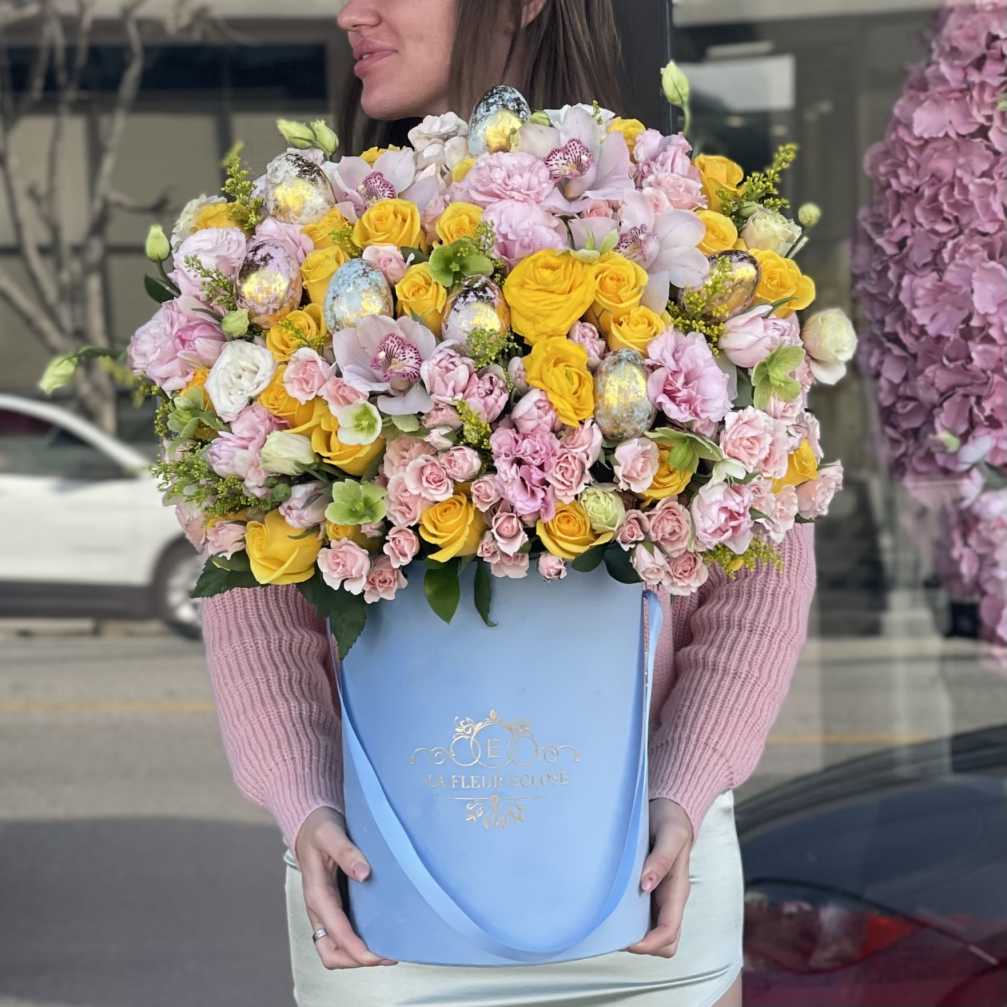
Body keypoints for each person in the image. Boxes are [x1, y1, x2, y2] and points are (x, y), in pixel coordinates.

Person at [200, 2, 819, 1005]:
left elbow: (761, 561)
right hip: (386, 893)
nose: (347, 11)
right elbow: (257, 576)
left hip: (643, 880)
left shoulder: (677, 229)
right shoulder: (301, 256)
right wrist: (302, 800)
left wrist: (684, 785)